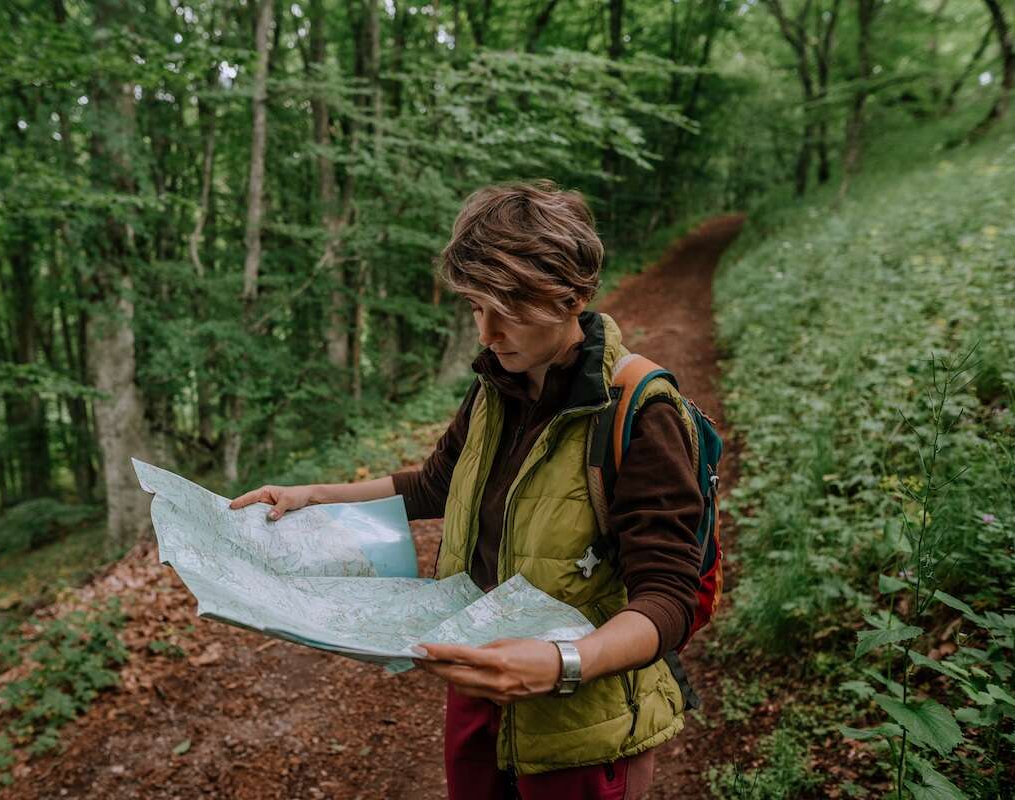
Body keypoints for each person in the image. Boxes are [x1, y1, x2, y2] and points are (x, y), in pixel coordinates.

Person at [231, 181, 704, 800]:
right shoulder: (494, 387)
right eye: (476, 308)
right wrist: (313, 495)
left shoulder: (639, 413)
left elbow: (668, 597)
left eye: (507, 307)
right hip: (478, 689)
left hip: (581, 718)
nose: (486, 333)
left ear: (575, 294)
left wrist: (563, 664)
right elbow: (436, 486)